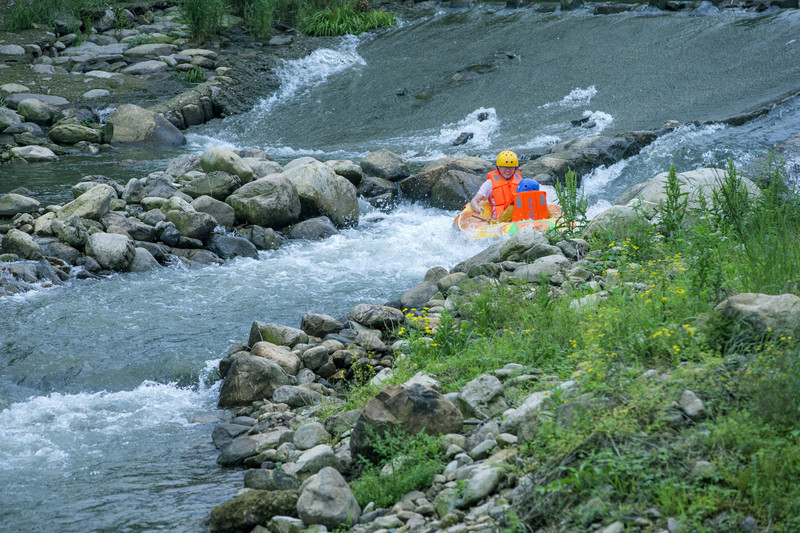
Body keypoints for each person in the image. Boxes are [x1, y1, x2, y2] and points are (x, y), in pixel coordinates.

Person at [469, 150, 523, 222]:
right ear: (498, 167)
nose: (508, 170)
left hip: (518, 218)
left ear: (515, 168)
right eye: (504, 167)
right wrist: (477, 208)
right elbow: (474, 201)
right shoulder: (489, 184)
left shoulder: (521, 182)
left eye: (511, 167)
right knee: (510, 209)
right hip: (500, 221)